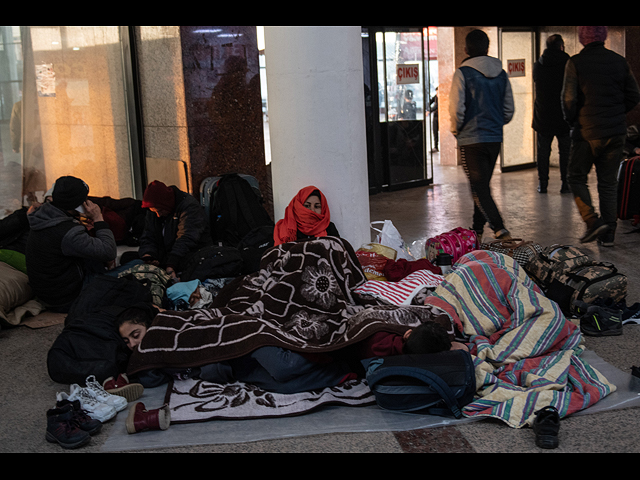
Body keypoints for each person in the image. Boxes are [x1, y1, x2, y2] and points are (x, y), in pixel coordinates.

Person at [562, 26, 640, 246]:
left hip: (586, 133)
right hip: (615, 133)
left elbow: (568, 100)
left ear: (582, 37)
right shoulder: (619, 61)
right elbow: (634, 95)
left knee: (576, 177)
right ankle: (608, 235)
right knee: (607, 184)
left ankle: (593, 222)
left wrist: (573, 121)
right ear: (604, 36)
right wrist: (615, 114)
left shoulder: (575, 63)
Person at [449, 29, 515, 242]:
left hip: (471, 139)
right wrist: (496, 124)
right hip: (494, 138)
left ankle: (499, 227)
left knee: (478, 187)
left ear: (466, 49)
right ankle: (476, 229)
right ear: (487, 48)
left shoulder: (463, 73)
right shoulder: (502, 74)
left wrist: (456, 129)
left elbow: (456, 108)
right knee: (482, 186)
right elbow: (509, 109)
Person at [25, 176, 117, 312]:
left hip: (49, 293)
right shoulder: (67, 231)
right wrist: (98, 218)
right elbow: (109, 251)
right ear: (79, 204)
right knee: (137, 267)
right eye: (85, 199)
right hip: (66, 298)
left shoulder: (43, 216)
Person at [138, 180, 212, 281]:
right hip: (168, 253)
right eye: (155, 212)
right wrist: (149, 255)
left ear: (166, 204)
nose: (158, 215)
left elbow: (186, 238)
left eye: (160, 211)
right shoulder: (154, 212)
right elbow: (148, 235)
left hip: (191, 254)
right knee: (129, 259)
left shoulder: (189, 206)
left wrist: (171, 265)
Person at [533, 34, 572, 194]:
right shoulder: (569, 64)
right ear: (561, 46)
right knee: (565, 151)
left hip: (543, 114)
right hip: (563, 114)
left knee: (543, 152)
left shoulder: (538, 64)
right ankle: (565, 184)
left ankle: (543, 184)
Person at [273, 186, 340, 246]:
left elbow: (338, 253)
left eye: (317, 206)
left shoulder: (329, 227)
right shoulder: (286, 227)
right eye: (307, 206)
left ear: (323, 209)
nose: (312, 210)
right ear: (298, 206)